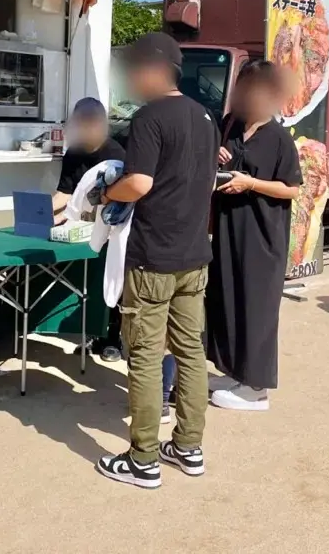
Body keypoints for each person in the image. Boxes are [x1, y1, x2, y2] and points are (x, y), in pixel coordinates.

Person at [96, 32, 219, 489]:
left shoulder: (150, 118)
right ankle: (188, 447)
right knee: (190, 352)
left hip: (152, 259)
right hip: (194, 255)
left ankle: (143, 458)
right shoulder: (206, 117)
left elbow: (140, 183)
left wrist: (107, 192)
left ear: (153, 69)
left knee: (146, 357)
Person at [206, 60, 302, 412]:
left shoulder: (278, 138)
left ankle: (257, 388)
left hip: (263, 237)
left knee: (257, 309)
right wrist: (213, 156)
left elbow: (292, 189)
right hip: (230, 231)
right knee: (228, 302)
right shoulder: (229, 126)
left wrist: (252, 184)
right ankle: (235, 372)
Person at [52, 97, 125, 362]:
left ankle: (112, 339)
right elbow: (64, 193)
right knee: (88, 282)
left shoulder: (116, 153)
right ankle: (92, 332)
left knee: (112, 282)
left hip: (113, 227)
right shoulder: (74, 153)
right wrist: (43, 214)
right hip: (82, 228)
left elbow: (121, 199)